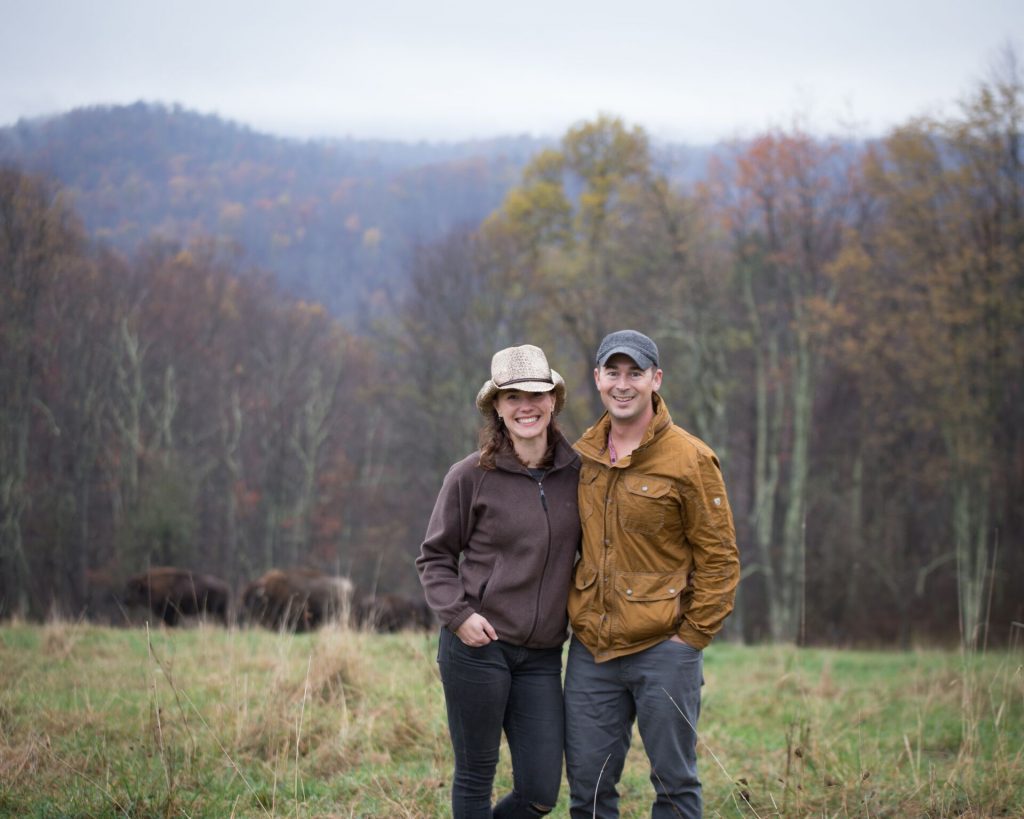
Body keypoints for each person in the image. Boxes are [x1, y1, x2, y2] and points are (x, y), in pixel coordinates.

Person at [564, 329, 741, 819]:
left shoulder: (690, 458)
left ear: (655, 380)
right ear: (597, 378)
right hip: (592, 652)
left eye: (635, 373)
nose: (623, 384)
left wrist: (691, 639)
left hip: (665, 648)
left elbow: (720, 558)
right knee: (588, 789)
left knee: (675, 785)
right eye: (613, 372)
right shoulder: (581, 458)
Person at [416, 344, 581, 818]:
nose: (525, 405)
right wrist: (459, 615)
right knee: (475, 776)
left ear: (553, 400)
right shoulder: (470, 476)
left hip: (543, 655)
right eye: (511, 397)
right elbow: (435, 557)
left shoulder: (580, 474)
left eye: (535, 394)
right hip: (477, 648)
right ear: (496, 408)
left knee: (540, 792)